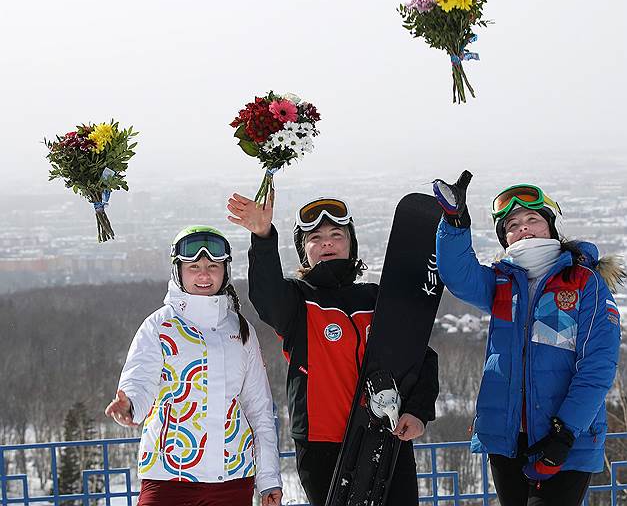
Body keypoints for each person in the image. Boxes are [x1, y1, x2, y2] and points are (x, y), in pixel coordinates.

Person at [227, 193, 439, 506]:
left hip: (387, 435)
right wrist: (262, 237)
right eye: (315, 238)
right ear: (304, 252)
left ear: (351, 243)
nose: (327, 243)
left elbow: (420, 356)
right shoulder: (298, 303)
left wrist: (418, 411)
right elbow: (267, 296)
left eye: (336, 235)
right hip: (322, 445)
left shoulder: (378, 300)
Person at [432, 172, 623, 506]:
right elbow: (458, 275)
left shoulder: (584, 283)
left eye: (532, 219)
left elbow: (598, 364)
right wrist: (455, 222)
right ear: (505, 239)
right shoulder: (503, 283)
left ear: (550, 227)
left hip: (564, 438)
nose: (522, 227)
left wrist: (565, 431)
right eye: (511, 224)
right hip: (507, 439)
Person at [105, 226, 282, 506]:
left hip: (233, 478)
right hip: (167, 476)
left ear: (225, 271)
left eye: (213, 266)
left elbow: (259, 409)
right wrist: (130, 406)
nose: (204, 274)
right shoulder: (159, 326)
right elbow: (140, 380)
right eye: (193, 266)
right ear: (178, 271)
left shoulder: (242, 330)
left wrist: (269, 478)